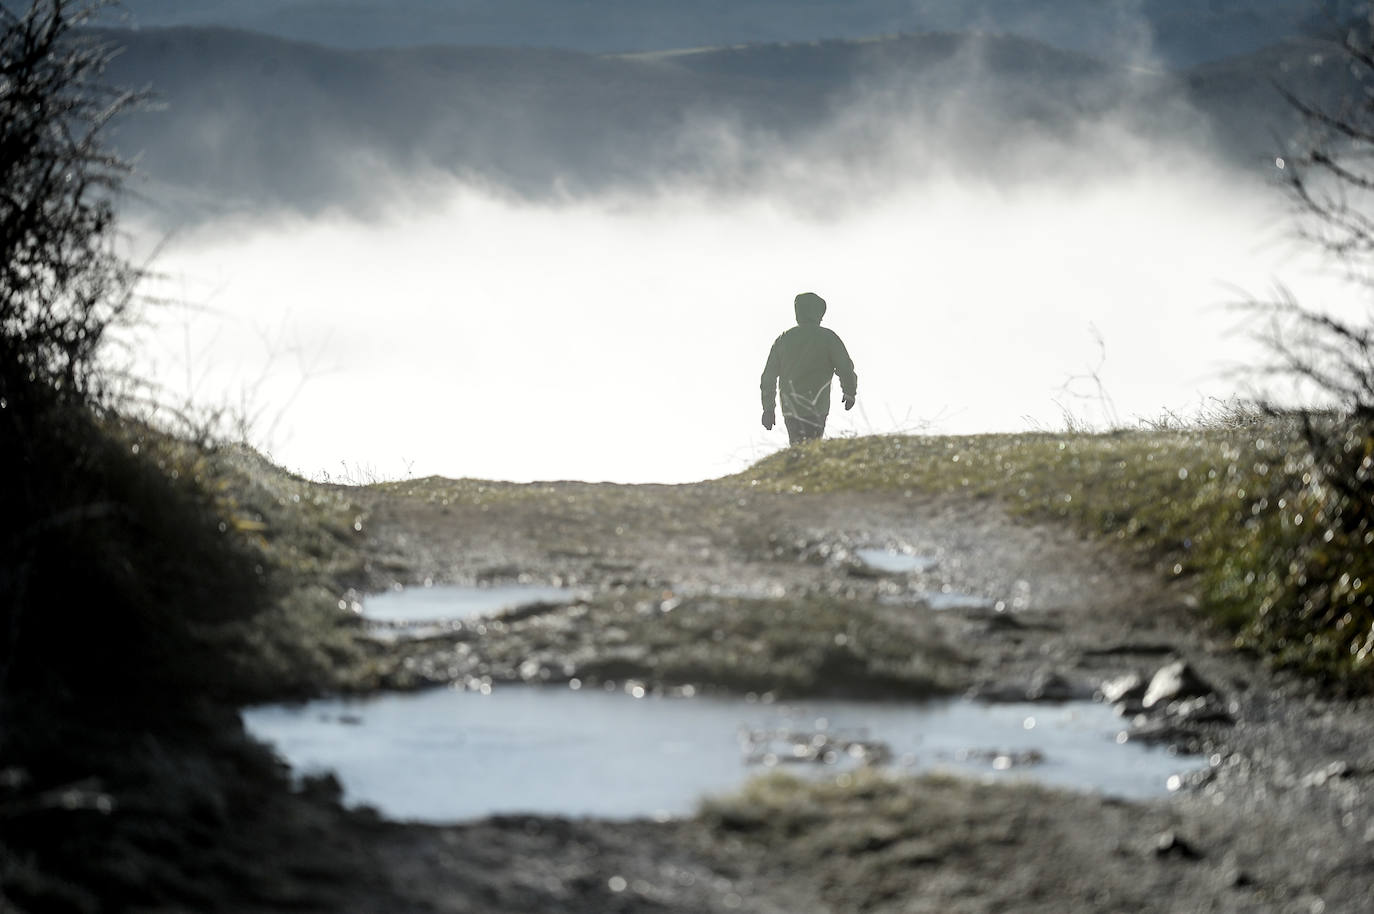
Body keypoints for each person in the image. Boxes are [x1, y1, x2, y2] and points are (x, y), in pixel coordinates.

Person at [760, 292, 858, 445]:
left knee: (797, 447)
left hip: (790, 407)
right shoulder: (828, 338)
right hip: (818, 406)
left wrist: (768, 409)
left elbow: (768, 378)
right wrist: (850, 392)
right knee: (813, 446)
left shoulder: (783, 340)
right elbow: (845, 367)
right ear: (819, 314)